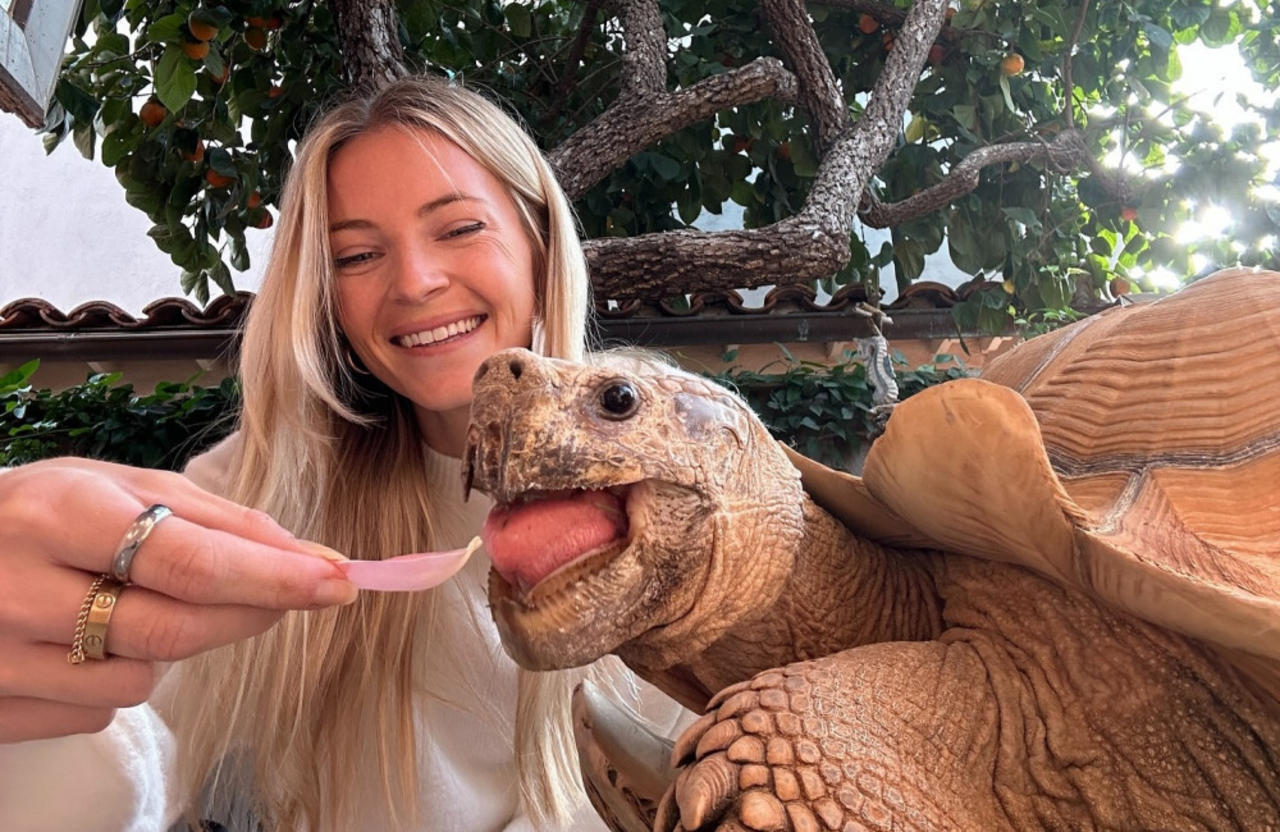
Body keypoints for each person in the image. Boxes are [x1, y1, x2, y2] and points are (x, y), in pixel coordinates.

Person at [0, 75, 685, 831]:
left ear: (539, 244)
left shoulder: (682, 469)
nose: (417, 283)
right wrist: (46, 709)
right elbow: (137, 758)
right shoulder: (252, 492)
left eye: (459, 229)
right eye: (357, 255)